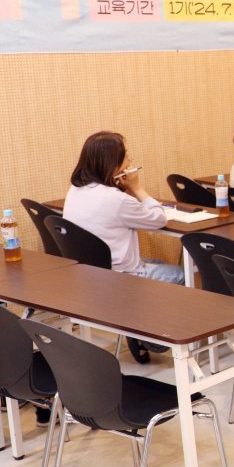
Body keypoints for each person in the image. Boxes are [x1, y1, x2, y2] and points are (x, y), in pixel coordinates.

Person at [64, 131, 185, 362]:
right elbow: (159, 218)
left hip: (90, 277)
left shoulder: (75, 191)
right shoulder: (116, 200)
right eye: (126, 157)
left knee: (159, 264)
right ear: (112, 163)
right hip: (123, 279)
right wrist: (137, 188)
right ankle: (154, 336)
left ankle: (138, 325)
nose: (130, 162)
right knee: (183, 275)